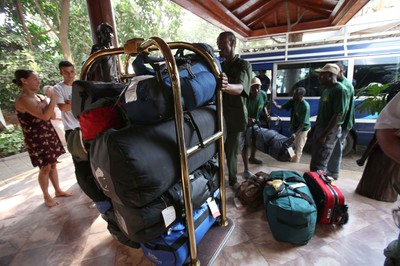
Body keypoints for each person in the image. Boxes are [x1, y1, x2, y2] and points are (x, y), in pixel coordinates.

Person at [13, 69, 71, 207]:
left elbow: (50, 116)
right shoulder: (23, 100)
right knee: (45, 167)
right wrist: (53, 99)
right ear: (24, 81)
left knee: (53, 164)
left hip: (47, 133)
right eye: (34, 79)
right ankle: (46, 196)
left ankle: (57, 190)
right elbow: (44, 116)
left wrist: (49, 101)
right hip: (36, 138)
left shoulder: (39, 97)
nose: (38, 82)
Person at [217, 31, 252, 190]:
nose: (219, 45)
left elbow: (241, 88)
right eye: (218, 42)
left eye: (222, 42)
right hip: (218, 116)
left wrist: (226, 86)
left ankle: (232, 182)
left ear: (232, 42)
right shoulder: (219, 66)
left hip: (234, 117)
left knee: (231, 153)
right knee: (217, 151)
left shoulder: (244, 65)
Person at [356, 92, 400, 202]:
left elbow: (375, 139)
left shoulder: (389, 122)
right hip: (389, 154)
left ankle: (379, 195)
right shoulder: (391, 122)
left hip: (383, 153)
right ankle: (386, 196)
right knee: (387, 180)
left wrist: (363, 158)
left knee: (381, 178)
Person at [309, 63, 347, 174]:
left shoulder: (340, 90)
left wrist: (324, 135)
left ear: (330, 75)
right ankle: (314, 180)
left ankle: (320, 186)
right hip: (320, 128)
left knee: (321, 161)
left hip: (329, 131)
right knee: (315, 160)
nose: (319, 77)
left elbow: (338, 115)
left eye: (322, 75)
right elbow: (322, 114)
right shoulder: (326, 90)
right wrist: (314, 128)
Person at [326, 62, 355, 178]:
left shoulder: (344, 86)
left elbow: (340, 112)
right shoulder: (339, 85)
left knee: (335, 148)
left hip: (343, 123)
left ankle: (333, 173)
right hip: (340, 122)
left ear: (339, 72)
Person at [273, 87, 310, 162]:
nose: (293, 96)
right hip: (295, 128)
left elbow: (303, 124)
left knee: (298, 147)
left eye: (295, 94)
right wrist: (275, 105)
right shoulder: (293, 101)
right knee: (291, 146)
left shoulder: (305, 106)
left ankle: (295, 162)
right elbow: (281, 107)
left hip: (302, 129)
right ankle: (292, 159)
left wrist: (295, 134)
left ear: (301, 95)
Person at [241, 77, 269, 179]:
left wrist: (266, 114)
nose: (256, 91)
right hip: (244, 124)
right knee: (245, 145)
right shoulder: (244, 96)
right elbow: (240, 112)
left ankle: (252, 157)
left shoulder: (263, 94)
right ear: (249, 88)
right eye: (254, 88)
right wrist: (247, 118)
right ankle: (246, 169)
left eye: (258, 88)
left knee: (255, 141)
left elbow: (264, 105)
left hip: (256, 122)